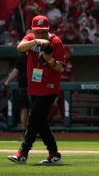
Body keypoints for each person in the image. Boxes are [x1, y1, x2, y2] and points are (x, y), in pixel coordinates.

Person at [7, 15, 65, 164]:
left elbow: (59, 66)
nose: (40, 34)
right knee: (41, 122)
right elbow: (19, 47)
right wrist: (35, 41)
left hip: (50, 87)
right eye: (37, 31)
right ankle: (54, 153)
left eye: (43, 31)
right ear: (33, 30)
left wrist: (49, 60)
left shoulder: (56, 41)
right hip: (34, 86)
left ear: (48, 30)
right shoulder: (31, 38)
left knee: (33, 120)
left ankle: (22, 153)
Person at [2, 52, 29, 130]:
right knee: (25, 109)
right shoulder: (21, 57)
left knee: (33, 110)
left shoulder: (36, 56)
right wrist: (7, 82)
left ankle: (32, 131)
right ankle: (24, 131)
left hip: (34, 87)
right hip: (24, 87)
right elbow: (15, 71)